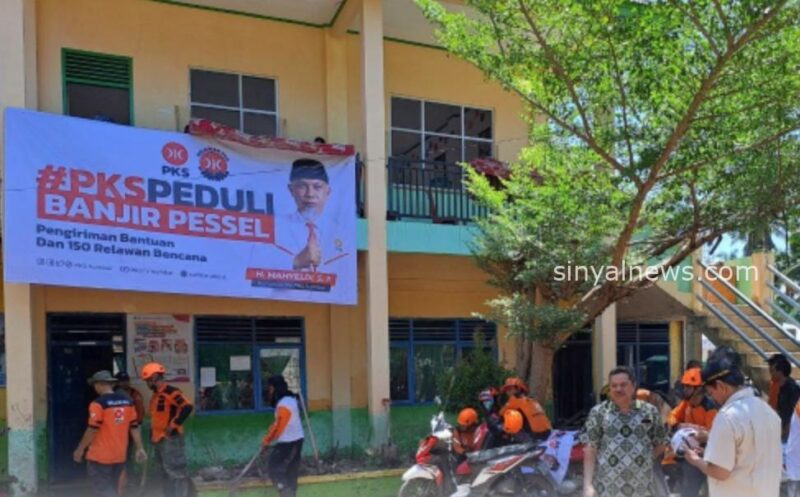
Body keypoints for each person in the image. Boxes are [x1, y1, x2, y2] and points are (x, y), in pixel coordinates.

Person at [684, 346, 781, 497]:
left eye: (711, 393)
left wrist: (695, 460)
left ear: (721, 386)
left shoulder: (727, 417)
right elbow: (750, 456)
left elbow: (720, 471)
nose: (712, 398)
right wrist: (709, 453)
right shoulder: (768, 411)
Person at [582, 366, 669, 497]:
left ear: (633, 386)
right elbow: (590, 449)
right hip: (608, 487)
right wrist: (587, 485)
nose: (618, 389)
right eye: (614, 385)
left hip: (642, 487)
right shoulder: (599, 413)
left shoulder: (649, 412)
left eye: (623, 385)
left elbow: (661, 442)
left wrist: (646, 458)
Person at [72, 370, 147, 497]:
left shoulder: (98, 404)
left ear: (100, 384)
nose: (94, 388)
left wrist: (80, 448)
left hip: (100, 457)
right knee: (114, 487)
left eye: (95, 384)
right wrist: (140, 448)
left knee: (103, 490)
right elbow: (134, 427)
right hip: (119, 455)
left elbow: (93, 429)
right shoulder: (128, 402)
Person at [275, 159, 350, 273]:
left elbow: (346, 274)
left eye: (317, 187)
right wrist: (295, 262)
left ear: (328, 192)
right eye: (302, 186)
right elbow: (255, 266)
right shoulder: (276, 228)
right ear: (291, 190)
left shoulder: (341, 232)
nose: (310, 194)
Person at [141, 362, 194, 497]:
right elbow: (156, 418)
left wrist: (174, 424)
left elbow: (187, 406)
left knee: (176, 473)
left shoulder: (171, 392)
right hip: (158, 439)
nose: (147, 384)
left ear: (155, 378)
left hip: (171, 439)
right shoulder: (156, 396)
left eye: (148, 381)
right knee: (164, 472)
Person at [667, 367, 718, 497]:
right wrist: (677, 425)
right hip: (690, 454)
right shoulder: (687, 403)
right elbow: (672, 416)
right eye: (685, 386)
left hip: (707, 455)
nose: (685, 390)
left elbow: (711, 434)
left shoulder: (710, 408)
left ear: (699, 389)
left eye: (688, 387)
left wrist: (693, 429)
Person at [262, 375, 305, 497]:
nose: (269, 392)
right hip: (297, 439)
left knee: (273, 468)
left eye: (270, 389)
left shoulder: (284, 404)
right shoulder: (290, 400)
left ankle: (286, 493)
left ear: (276, 388)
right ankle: (291, 493)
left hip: (288, 441)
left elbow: (279, 427)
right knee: (291, 470)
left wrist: (266, 441)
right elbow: (278, 423)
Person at [768, 353, 800, 442]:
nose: (770, 373)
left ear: (780, 371)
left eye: (772, 370)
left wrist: (784, 434)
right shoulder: (774, 386)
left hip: (789, 436)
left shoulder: (792, 389)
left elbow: (795, 415)